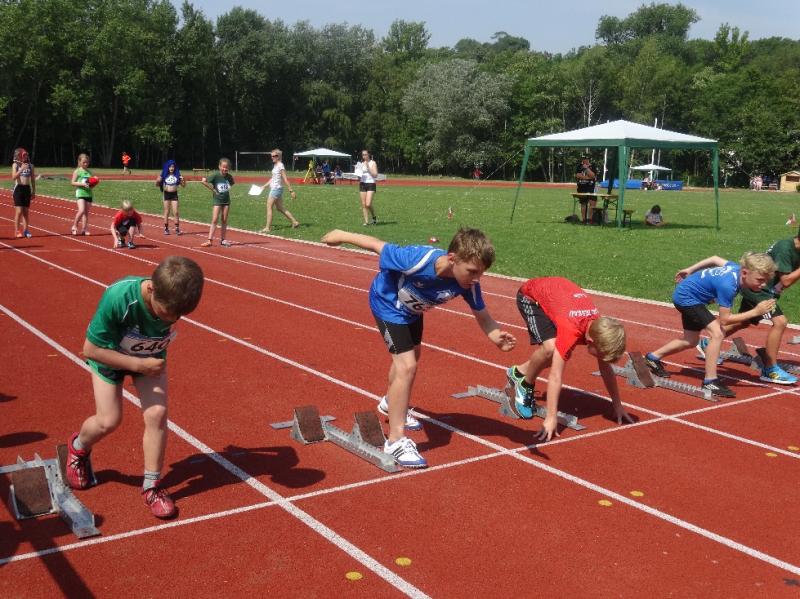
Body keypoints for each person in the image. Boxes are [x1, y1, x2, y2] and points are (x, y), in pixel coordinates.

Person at [321, 227, 517, 468]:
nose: (477, 278)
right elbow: (377, 245)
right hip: (387, 304)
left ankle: (390, 402)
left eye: (482, 273)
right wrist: (341, 236)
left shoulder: (468, 284)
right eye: (472, 271)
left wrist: (496, 336)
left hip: (413, 312)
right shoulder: (416, 260)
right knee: (407, 366)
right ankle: (395, 440)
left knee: (413, 356)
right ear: (452, 259)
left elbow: (483, 315)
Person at [63, 256, 205, 519]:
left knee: (157, 413)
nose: (171, 319)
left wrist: (145, 362)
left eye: (178, 316)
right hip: (108, 354)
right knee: (109, 420)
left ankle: (151, 487)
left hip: (148, 356)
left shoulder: (173, 298)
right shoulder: (118, 297)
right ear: (151, 288)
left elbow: (168, 314)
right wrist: (139, 365)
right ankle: (78, 446)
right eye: (165, 313)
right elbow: (90, 349)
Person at [505, 277, 633, 442]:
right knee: (550, 349)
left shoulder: (600, 329)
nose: (603, 359)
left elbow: (606, 369)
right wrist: (551, 417)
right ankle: (524, 384)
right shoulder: (571, 330)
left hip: (559, 297)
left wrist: (617, 404)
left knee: (560, 352)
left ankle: (518, 372)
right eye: (602, 355)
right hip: (530, 296)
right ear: (590, 342)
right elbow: (555, 376)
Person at [643, 253, 777, 398]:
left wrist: (690, 269)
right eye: (760, 280)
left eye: (766, 281)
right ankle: (710, 381)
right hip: (687, 298)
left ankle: (652, 357)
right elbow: (725, 320)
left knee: (690, 340)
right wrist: (756, 312)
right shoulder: (728, 285)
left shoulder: (735, 268)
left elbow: (714, 259)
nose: (763, 284)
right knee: (717, 333)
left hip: (688, 295)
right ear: (745, 273)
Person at [703, 234, 800, 385]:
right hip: (758, 289)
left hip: (763, 289)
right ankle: (770, 369)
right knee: (780, 322)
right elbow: (786, 280)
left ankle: (708, 343)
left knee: (743, 321)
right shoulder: (785, 248)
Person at [260, 149, 299, 233]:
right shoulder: (276, 165)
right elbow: (273, 178)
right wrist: (264, 186)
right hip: (277, 188)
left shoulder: (280, 165)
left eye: (274, 156)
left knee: (269, 207)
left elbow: (285, 179)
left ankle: (267, 228)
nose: (272, 157)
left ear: (279, 156)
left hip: (276, 189)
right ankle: (294, 222)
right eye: (272, 156)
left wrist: (291, 190)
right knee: (280, 208)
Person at [200, 158, 234, 247]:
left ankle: (223, 240)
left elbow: (230, 185)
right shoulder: (215, 175)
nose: (225, 169)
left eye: (226, 167)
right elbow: (203, 182)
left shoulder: (229, 177)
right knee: (215, 219)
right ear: (219, 167)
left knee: (224, 220)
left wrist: (226, 188)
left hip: (226, 201)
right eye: (223, 167)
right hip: (217, 200)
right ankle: (209, 240)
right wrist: (213, 190)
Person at [156, 159, 185, 235]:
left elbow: (183, 186)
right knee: (167, 211)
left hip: (174, 194)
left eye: (173, 167)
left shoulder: (177, 175)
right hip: (166, 194)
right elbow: (157, 185)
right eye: (170, 167)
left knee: (176, 212)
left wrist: (183, 180)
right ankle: (166, 229)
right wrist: (157, 181)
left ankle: (177, 228)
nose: (171, 168)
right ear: (167, 167)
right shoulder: (164, 175)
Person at [11, 147, 35, 238]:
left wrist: (33, 191)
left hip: (27, 189)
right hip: (18, 189)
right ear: (20, 156)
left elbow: (32, 180)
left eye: (26, 155)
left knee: (26, 212)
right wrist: (21, 169)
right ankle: (17, 231)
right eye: (23, 155)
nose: (25, 157)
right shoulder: (15, 165)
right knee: (19, 211)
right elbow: (13, 177)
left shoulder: (31, 166)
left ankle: (26, 230)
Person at [71, 153, 94, 236]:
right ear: (79, 162)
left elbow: (91, 184)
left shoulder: (89, 172)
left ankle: (84, 229)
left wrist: (94, 183)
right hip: (80, 193)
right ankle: (74, 226)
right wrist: (82, 184)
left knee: (86, 213)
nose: (86, 164)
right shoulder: (77, 171)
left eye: (87, 162)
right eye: (84, 162)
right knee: (81, 210)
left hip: (89, 194)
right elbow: (72, 182)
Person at [355, 150, 378, 226]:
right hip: (362, 184)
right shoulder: (361, 164)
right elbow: (359, 178)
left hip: (371, 183)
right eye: (363, 155)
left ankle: (374, 217)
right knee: (364, 204)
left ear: (368, 155)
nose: (364, 156)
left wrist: (368, 167)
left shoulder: (373, 163)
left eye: (365, 154)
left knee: (368, 204)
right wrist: (357, 171)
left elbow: (375, 175)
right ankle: (366, 222)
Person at [575, 157, 597, 223]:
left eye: (586, 159)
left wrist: (586, 168)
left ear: (588, 160)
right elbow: (578, 175)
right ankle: (584, 219)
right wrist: (588, 177)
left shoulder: (593, 166)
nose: (584, 160)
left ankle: (590, 219)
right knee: (583, 203)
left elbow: (593, 176)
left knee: (593, 202)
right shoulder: (579, 166)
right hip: (581, 188)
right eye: (583, 159)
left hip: (591, 188)